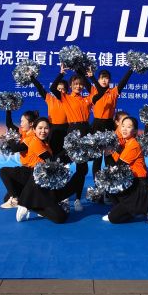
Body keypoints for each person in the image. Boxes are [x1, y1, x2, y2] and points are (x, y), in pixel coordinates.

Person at [16, 117, 83, 223]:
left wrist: (74, 154)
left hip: (48, 185)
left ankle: (33, 206)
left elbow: (55, 162)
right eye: (40, 128)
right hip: (37, 185)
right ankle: (26, 203)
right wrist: (68, 150)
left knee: (61, 217)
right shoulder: (34, 142)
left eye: (46, 128)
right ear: (34, 130)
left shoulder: (46, 144)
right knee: (60, 217)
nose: (43, 131)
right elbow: (51, 160)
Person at [49, 63, 93, 212]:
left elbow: (97, 91)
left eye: (80, 84)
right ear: (71, 86)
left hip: (86, 133)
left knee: (82, 169)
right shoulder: (65, 97)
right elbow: (52, 88)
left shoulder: (87, 99)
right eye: (75, 84)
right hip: (72, 132)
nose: (78, 87)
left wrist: (85, 75)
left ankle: (78, 199)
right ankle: (60, 196)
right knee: (62, 163)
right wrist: (61, 73)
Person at [102, 116, 148, 224]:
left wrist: (110, 152)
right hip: (130, 181)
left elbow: (119, 166)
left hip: (139, 186)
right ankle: (124, 210)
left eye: (129, 127)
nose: (124, 129)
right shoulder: (125, 142)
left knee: (113, 219)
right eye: (123, 126)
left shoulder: (133, 145)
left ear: (135, 131)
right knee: (108, 185)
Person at [0, 109, 50, 208]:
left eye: (22, 121)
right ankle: (26, 195)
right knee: (6, 198)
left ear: (31, 124)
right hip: (26, 170)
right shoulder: (24, 133)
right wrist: (8, 109)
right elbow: (9, 125)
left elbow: (15, 148)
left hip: (33, 172)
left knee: (3, 171)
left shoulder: (32, 137)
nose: (21, 123)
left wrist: (10, 139)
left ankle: (15, 199)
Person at [88, 68, 134, 177]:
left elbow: (123, 82)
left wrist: (131, 69)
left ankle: (111, 181)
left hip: (109, 125)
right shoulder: (93, 90)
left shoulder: (113, 92)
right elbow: (84, 79)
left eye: (106, 78)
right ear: (98, 80)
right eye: (102, 78)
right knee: (97, 158)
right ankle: (97, 183)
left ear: (109, 80)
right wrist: (90, 75)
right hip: (96, 125)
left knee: (109, 156)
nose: (104, 80)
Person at [30, 75, 69, 157]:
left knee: (64, 154)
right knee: (52, 153)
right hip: (52, 129)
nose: (60, 91)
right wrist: (32, 78)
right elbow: (40, 88)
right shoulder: (50, 98)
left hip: (65, 129)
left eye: (63, 89)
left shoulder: (69, 100)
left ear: (66, 90)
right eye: (59, 89)